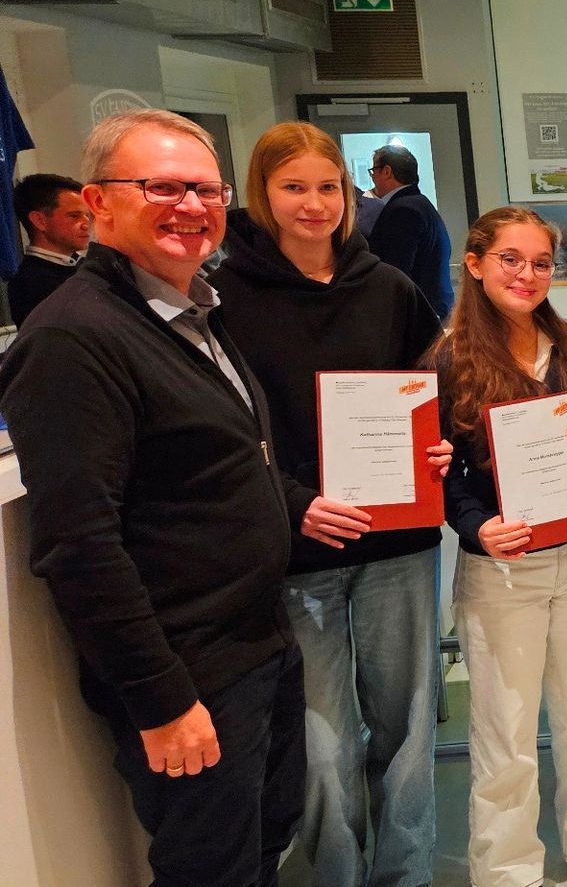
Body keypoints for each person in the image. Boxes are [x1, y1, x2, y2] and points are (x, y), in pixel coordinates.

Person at [0, 109, 304, 886]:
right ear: (97, 202)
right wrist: (161, 699)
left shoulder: (190, 312)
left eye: (207, 190)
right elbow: (78, 544)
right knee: (211, 870)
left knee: (264, 844)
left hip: (256, 643)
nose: (191, 207)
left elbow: (225, 467)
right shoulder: (72, 338)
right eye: (162, 187)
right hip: (189, 673)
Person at [209, 122, 447, 887]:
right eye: (294, 188)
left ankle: (406, 876)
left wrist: (440, 445)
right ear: (262, 194)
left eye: (328, 187)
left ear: (349, 193)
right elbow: (224, 431)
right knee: (322, 744)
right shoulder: (222, 299)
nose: (314, 204)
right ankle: (339, 875)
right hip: (296, 549)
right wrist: (294, 503)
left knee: (408, 730)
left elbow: (434, 389)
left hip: (396, 545)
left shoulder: (388, 289)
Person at [434, 206, 567, 887]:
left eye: (541, 263)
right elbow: (440, 473)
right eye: (510, 260)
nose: (527, 274)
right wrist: (476, 526)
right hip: (503, 571)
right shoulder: (447, 358)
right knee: (504, 732)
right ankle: (508, 871)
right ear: (475, 264)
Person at [366, 144, 454, 318]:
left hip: (418, 313)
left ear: (386, 171)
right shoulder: (419, 203)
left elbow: (396, 271)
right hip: (433, 307)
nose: (373, 177)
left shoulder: (403, 209)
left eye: (373, 171)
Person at [8, 171, 89, 322]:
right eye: (74, 216)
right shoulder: (30, 284)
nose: (86, 224)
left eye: (87, 216)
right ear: (40, 221)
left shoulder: (86, 265)